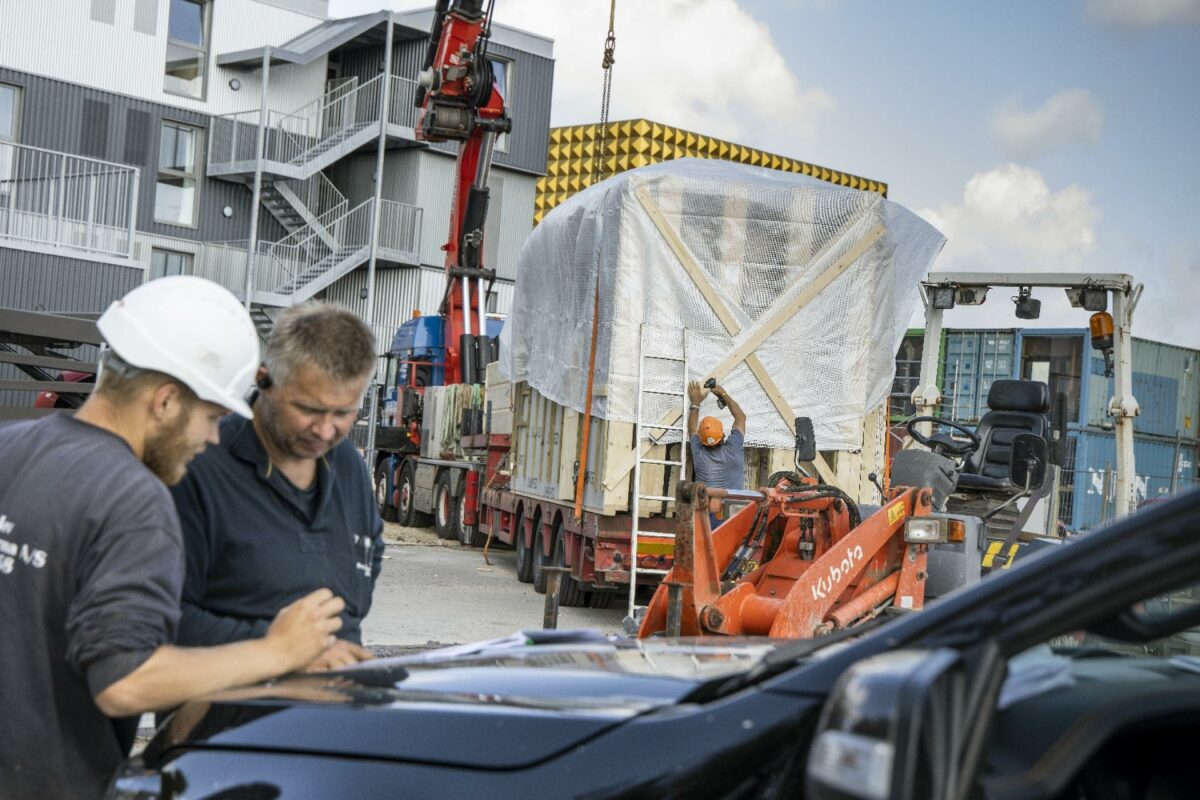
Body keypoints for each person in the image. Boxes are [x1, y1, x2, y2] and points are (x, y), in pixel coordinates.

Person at [0, 277, 347, 800]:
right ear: (165, 401)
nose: (211, 438)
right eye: (210, 417)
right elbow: (126, 681)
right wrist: (277, 651)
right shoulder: (134, 499)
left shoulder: (12, 447)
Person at [172, 302, 383, 671]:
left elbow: (369, 554)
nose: (325, 430)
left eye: (343, 413)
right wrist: (282, 648)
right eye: (309, 409)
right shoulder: (198, 467)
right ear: (265, 380)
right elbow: (164, 618)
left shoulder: (348, 465)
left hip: (337, 712)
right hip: (232, 718)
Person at [688, 379, 748, 527]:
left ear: (701, 441)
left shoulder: (699, 454)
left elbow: (692, 429)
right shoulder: (733, 448)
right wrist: (722, 393)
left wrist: (695, 403)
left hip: (707, 515)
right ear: (722, 436)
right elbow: (740, 417)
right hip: (733, 514)